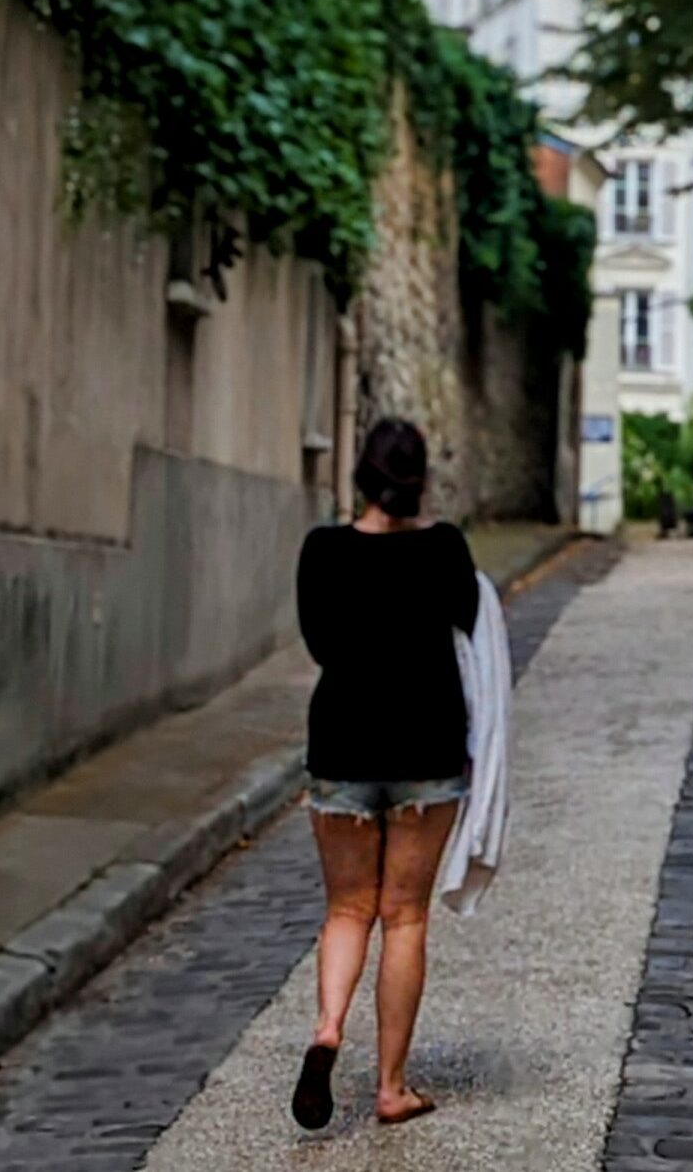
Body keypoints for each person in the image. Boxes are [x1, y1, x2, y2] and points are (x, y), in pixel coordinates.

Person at [289, 418, 479, 1131]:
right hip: (426, 756)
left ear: (360, 476)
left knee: (345, 911)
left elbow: (318, 642)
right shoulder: (447, 549)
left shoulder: (322, 551)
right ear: (419, 478)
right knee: (404, 917)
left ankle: (327, 1029)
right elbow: (470, 631)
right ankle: (391, 1087)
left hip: (340, 748)